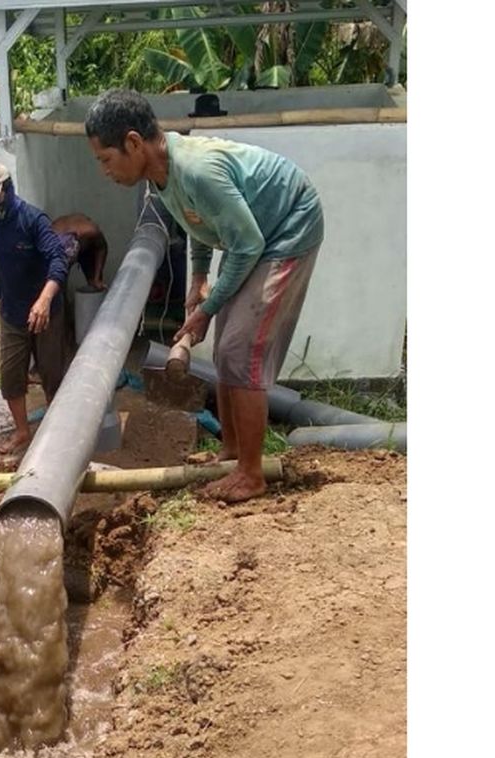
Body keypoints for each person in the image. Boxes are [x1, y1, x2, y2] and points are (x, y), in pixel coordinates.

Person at [84, 89, 324, 504]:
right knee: (225, 350)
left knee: (239, 348)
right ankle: (232, 453)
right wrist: (198, 277)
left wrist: (207, 310)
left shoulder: (196, 169)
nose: (104, 171)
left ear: (134, 143)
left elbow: (247, 243)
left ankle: (251, 473)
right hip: (255, 236)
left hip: (287, 230)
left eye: (105, 159)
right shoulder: (161, 178)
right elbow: (198, 222)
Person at [0, 162, 73, 455]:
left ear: (8, 189)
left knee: (51, 374)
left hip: (46, 314)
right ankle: (22, 431)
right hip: (12, 313)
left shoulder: (33, 220)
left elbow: (58, 260)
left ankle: (57, 435)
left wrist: (44, 300)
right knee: (10, 376)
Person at [50, 213, 108, 290]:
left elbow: (102, 248)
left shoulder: (91, 232)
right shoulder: (51, 241)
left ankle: (94, 283)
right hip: (62, 240)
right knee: (58, 282)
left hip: (84, 239)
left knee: (95, 283)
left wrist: (97, 278)